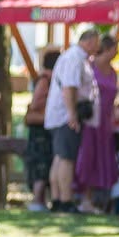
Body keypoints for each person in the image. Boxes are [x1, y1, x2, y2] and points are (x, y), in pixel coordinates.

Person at [44, 27, 98, 213]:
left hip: (59, 115)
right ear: (90, 41)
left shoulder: (73, 56)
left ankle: (58, 199)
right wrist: (72, 114)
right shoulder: (75, 58)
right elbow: (69, 87)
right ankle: (65, 200)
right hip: (65, 116)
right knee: (66, 158)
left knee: (59, 157)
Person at [73, 33, 119, 214]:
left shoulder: (113, 72)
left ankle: (94, 200)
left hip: (106, 123)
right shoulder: (90, 67)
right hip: (92, 121)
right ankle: (83, 197)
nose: (116, 53)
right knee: (88, 158)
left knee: (103, 159)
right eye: (114, 49)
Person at [23, 48, 59, 210]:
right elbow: (36, 102)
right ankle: (37, 199)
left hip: (44, 126)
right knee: (41, 163)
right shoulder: (45, 80)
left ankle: (42, 199)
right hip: (39, 128)